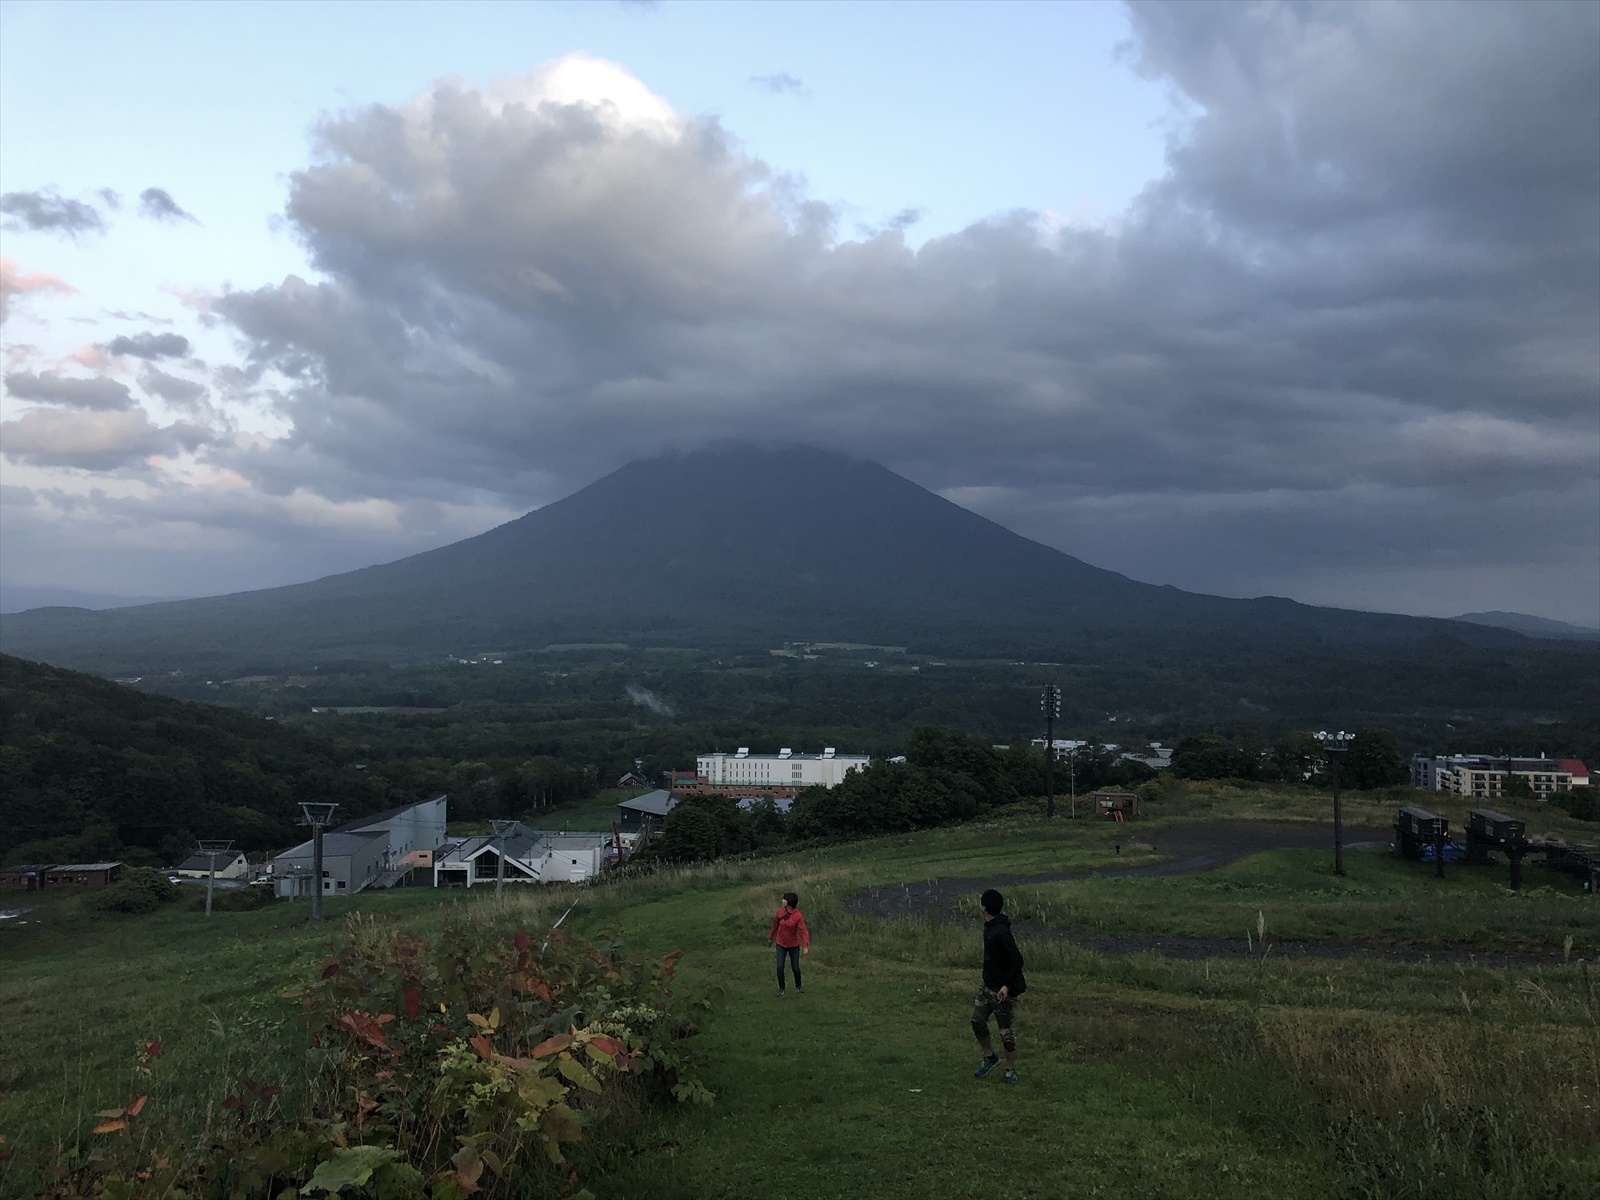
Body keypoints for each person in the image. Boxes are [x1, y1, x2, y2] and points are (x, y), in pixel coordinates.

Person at [971, 887, 1025, 1083]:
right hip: (987, 986)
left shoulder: (1001, 931)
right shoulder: (990, 926)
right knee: (977, 1021)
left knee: (1006, 1033)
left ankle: (1010, 1070)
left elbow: (1018, 961)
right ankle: (990, 1058)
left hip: (1003, 991)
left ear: (984, 907)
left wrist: (1006, 986)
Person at [768, 890, 810, 996]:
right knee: (779, 967)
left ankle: (798, 986)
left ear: (789, 902)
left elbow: (804, 931)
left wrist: (805, 946)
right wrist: (770, 937)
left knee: (795, 967)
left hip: (794, 945)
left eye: (784, 899)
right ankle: (781, 989)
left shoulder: (798, 916)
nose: (782, 901)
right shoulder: (779, 912)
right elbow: (775, 926)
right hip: (780, 944)